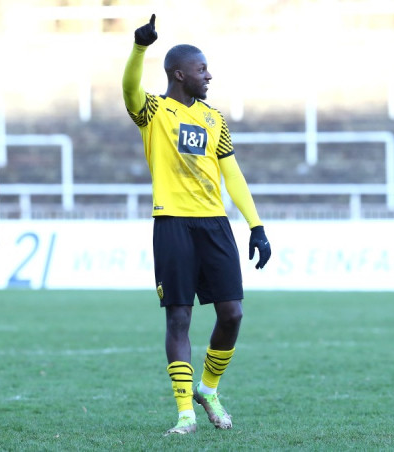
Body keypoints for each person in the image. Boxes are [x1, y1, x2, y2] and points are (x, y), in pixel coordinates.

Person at [122, 15, 271, 435]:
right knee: (179, 318)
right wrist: (139, 48)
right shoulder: (154, 111)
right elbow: (129, 89)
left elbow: (232, 175)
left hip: (214, 224)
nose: (209, 75)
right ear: (179, 74)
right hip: (172, 222)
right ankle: (185, 412)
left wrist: (256, 226)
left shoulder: (214, 118)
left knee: (232, 314)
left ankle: (208, 388)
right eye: (202, 69)